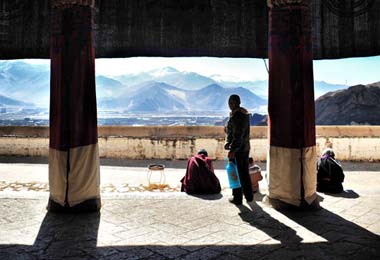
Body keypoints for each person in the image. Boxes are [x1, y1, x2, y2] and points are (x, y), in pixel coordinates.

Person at [224, 94, 253, 205]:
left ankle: (237, 198)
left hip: (238, 150)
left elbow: (238, 135)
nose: (229, 104)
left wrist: (233, 150)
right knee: (244, 173)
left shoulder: (237, 116)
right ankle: (249, 196)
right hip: (245, 148)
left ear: (235, 103)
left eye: (231, 102)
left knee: (235, 173)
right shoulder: (242, 114)